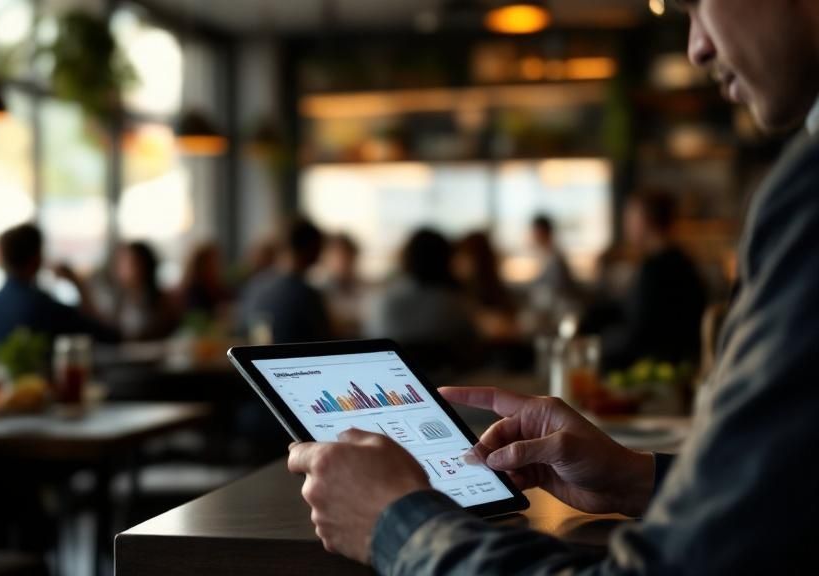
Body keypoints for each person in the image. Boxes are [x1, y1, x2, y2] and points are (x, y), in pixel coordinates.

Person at [287, 1, 819, 573]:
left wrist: (398, 523)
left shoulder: (805, 196)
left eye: (695, 4)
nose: (697, 48)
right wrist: (638, 479)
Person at [0, 223, 117, 359]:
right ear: (37, 257)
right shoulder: (49, 310)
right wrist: (78, 285)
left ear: (2, 259)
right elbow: (110, 336)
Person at [598, 190, 707, 371]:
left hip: (660, 371)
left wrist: (599, 343)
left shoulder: (656, 269)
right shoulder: (680, 261)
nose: (626, 225)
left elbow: (640, 334)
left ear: (645, 220)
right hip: (677, 365)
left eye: (630, 217)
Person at [367, 229, 478, 351]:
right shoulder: (455, 304)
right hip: (445, 369)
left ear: (406, 257)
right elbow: (471, 341)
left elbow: (369, 335)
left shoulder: (383, 300)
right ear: (446, 260)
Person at [239, 218, 332, 344]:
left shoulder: (256, 286)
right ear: (312, 249)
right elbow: (326, 342)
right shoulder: (306, 295)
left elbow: (246, 331)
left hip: (258, 361)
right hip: (297, 361)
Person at [106, 241, 178, 340]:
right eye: (120, 263)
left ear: (145, 265)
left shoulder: (162, 302)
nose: (122, 269)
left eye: (130, 263)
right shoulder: (116, 301)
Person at [452, 232, 518, 340]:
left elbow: (506, 330)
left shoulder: (461, 298)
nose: (456, 262)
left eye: (463, 256)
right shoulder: (457, 295)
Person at [527, 214, 578, 323]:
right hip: (554, 312)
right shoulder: (546, 256)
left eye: (534, 232)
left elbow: (557, 291)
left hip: (560, 313)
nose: (532, 236)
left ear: (542, 232)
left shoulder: (555, 259)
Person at [317, 233, 366, 339]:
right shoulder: (318, 290)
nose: (344, 262)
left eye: (348, 257)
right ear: (325, 259)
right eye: (339, 257)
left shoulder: (364, 287)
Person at [176, 242, 232, 321]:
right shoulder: (194, 291)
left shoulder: (218, 286)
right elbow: (194, 320)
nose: (217, 267)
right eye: (212, 263)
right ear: (201, 265)